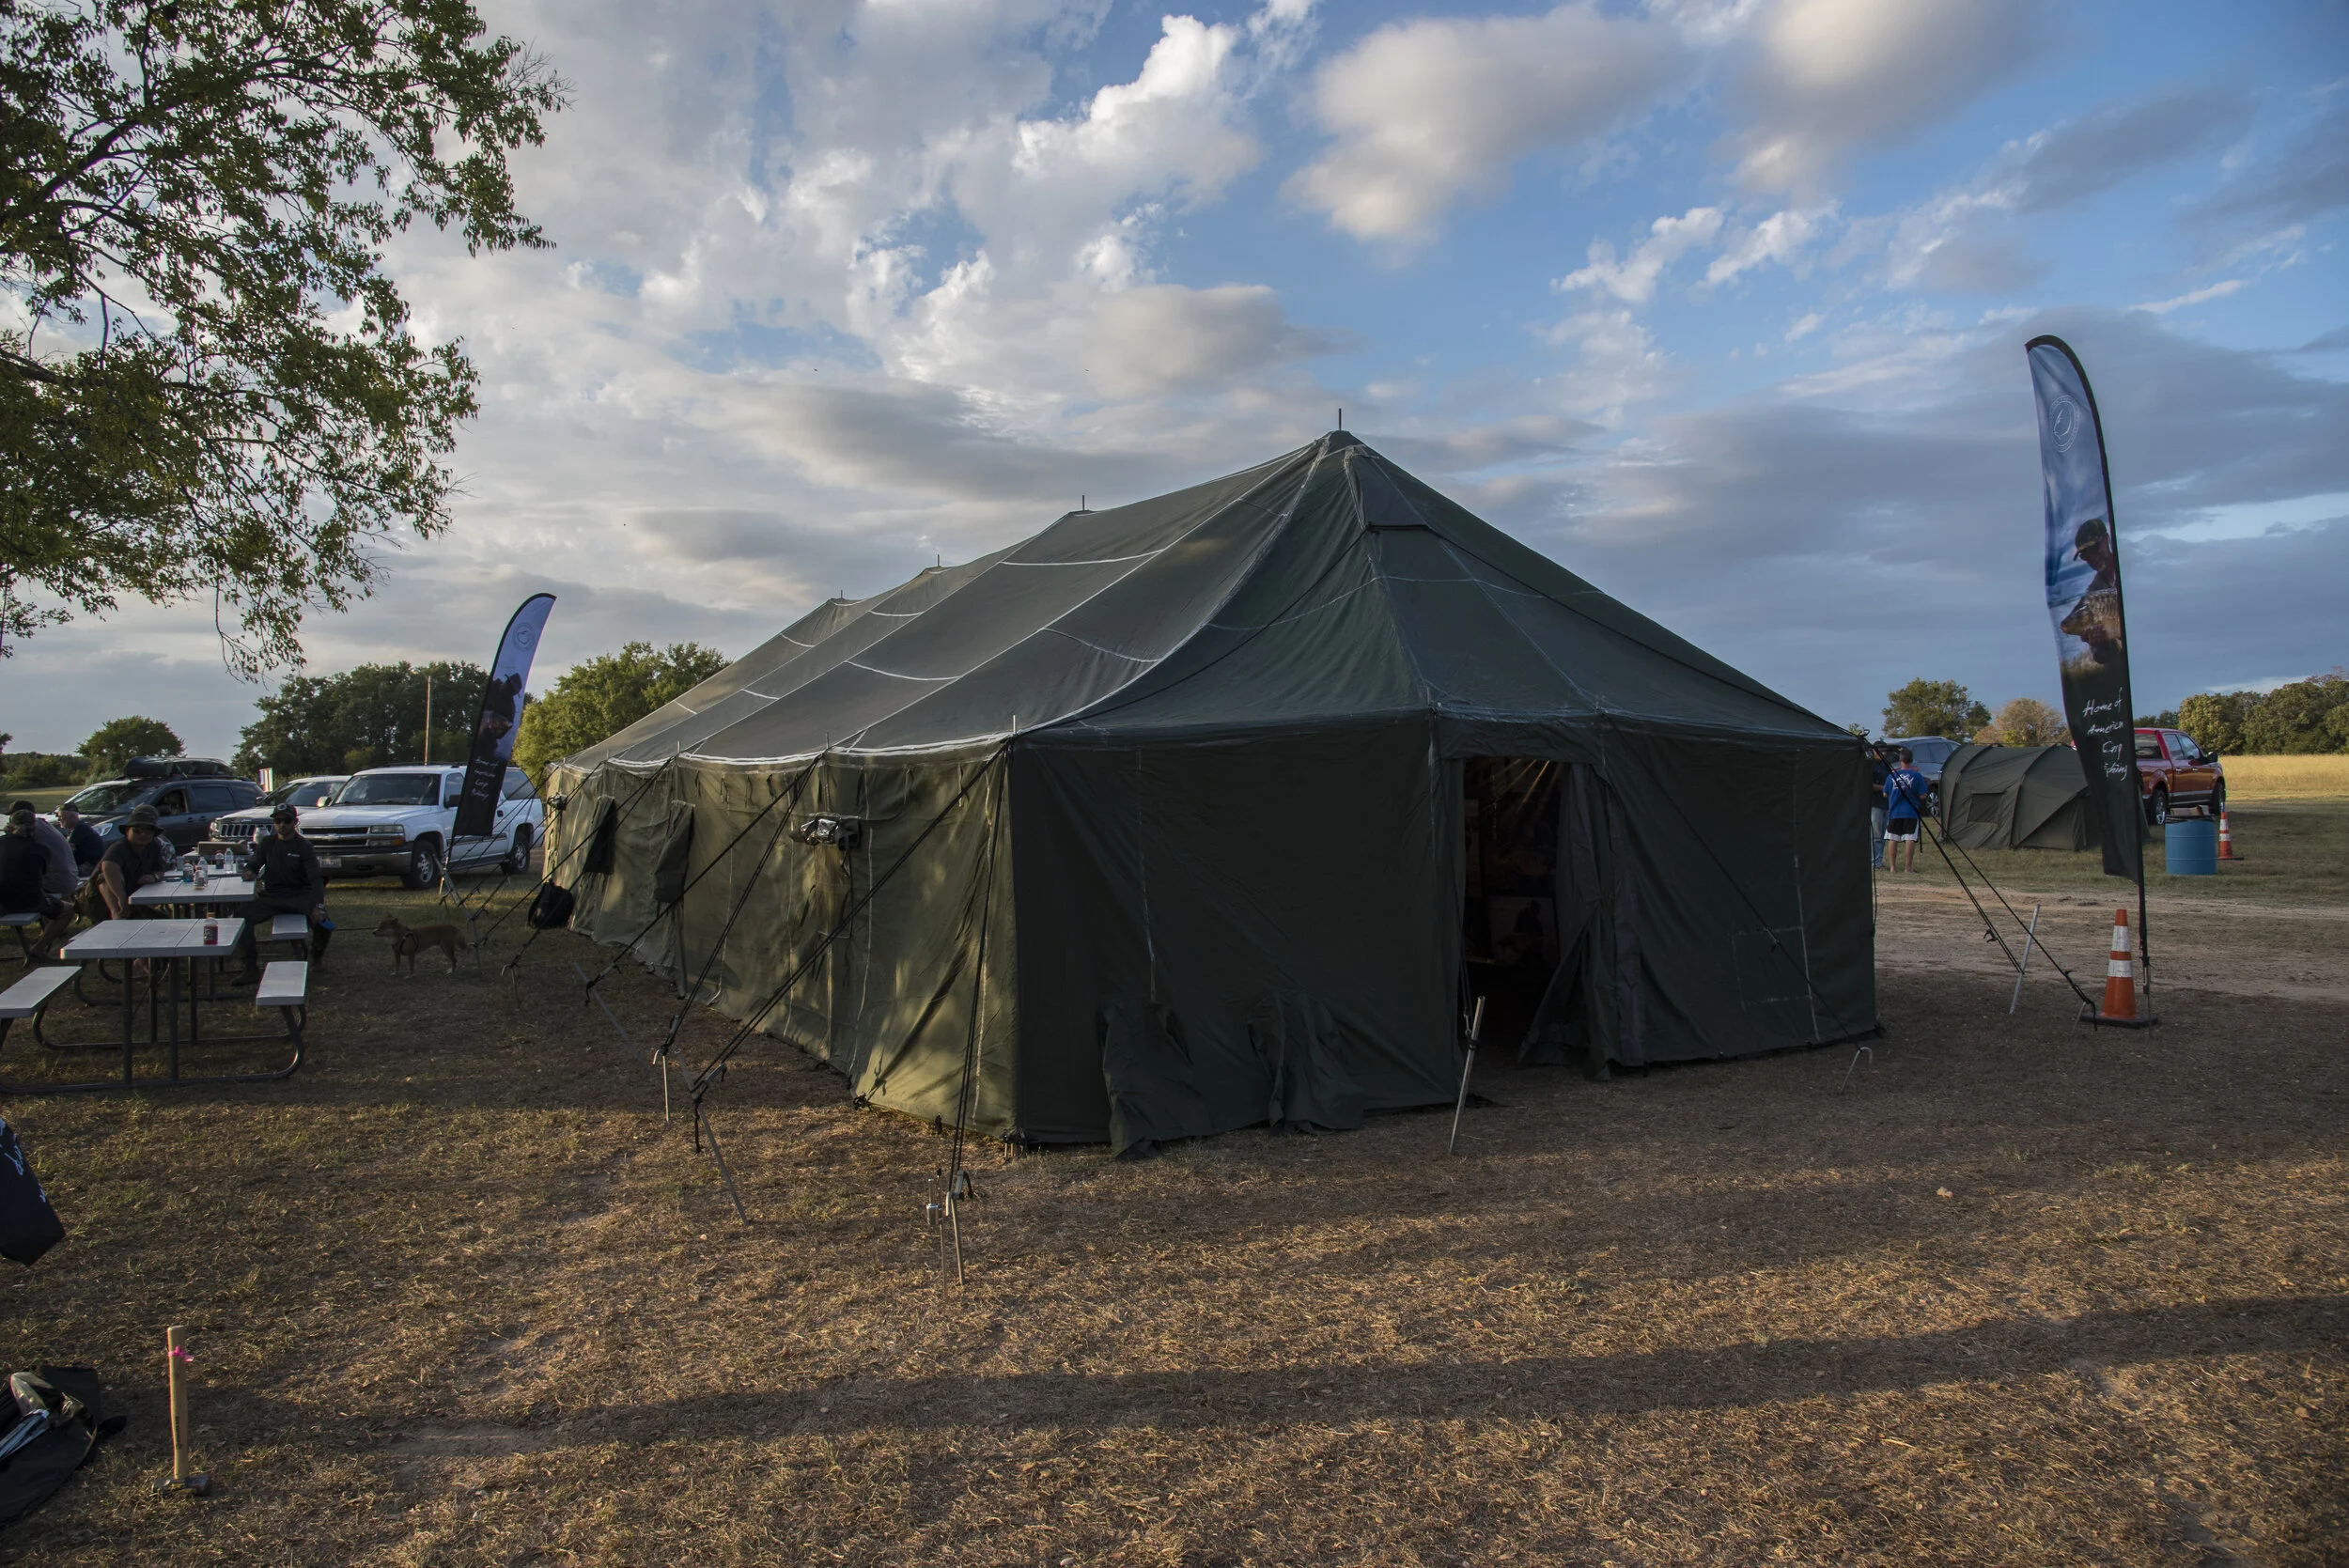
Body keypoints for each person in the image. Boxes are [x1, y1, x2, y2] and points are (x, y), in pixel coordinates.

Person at [231, 804, 330, 982]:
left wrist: (318, 906)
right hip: (272, 897)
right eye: (277, 821)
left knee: (325, 922)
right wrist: (249, 872)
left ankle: (317, 956)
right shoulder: (267, 843)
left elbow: (315, 879)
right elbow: (253, 864)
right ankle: (250, 967)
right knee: (240, 919)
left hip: (299, 896)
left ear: (295, 823)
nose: (282, 825)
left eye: (286, 821)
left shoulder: (304, 846)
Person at [1, 808, 75, 957]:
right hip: (31, 900)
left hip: (2, 900)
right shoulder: (40, 848)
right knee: (68, 910)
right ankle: (38, 949)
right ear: (35, 828)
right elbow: (41, 876)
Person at [97, 804, 174, 919]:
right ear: (127, 831)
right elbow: (108, 867)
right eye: (137, 830)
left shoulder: (154, 847)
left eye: (149, 831)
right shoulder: (119, 847)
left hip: (133, 897)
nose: (143, 834)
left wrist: (153, 876)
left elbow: (160, 870)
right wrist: (121, 897)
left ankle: (135, 912)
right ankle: (117, 915)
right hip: (98, 901)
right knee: (105, 878)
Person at [9, 801, 79, 907]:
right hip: (69, 877)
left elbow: (13, 854)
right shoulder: (43, 825)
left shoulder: (29, 831)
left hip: (57, 883)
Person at [1883, 747, 1928, 874]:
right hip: (1911, 811)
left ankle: (1892, 867)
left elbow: (1885, 794)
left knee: (1893, 838)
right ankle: (1908, 867)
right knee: (1909, 838)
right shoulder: (1917, 776)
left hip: (1895, 811)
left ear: (1900, 759)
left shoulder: (1892, 775)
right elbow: (1923, 795)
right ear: (1911, 760)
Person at [55, 801, 102, 877]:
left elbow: (67, 850)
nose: (59, 820)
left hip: (90, 866)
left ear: (72, 816)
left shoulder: (79, 829)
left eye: (61, 817)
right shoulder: (78, 827)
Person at [1867, 744, 1890, 871]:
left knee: (1882, 835)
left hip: (1885, 804)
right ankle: (1874, 862)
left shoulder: (1885, 765)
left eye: (1885, 751)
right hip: (1874, 804)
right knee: (1875, 835)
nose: (1884, 753)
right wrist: (1884, 788)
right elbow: (1868, 784)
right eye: (1881, 751)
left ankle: (1879, 860)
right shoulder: (1870, 765)